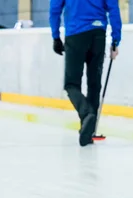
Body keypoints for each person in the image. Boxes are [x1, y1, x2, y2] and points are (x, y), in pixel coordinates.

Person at [50, 0, 122, 146]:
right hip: (98, 34)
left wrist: (56, 36)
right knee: (94, 84)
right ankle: (88, 131)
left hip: (76, 34)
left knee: (71, 84)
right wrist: (115, 39)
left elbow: (55, 9)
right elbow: (113, 8)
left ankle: (86, 114)